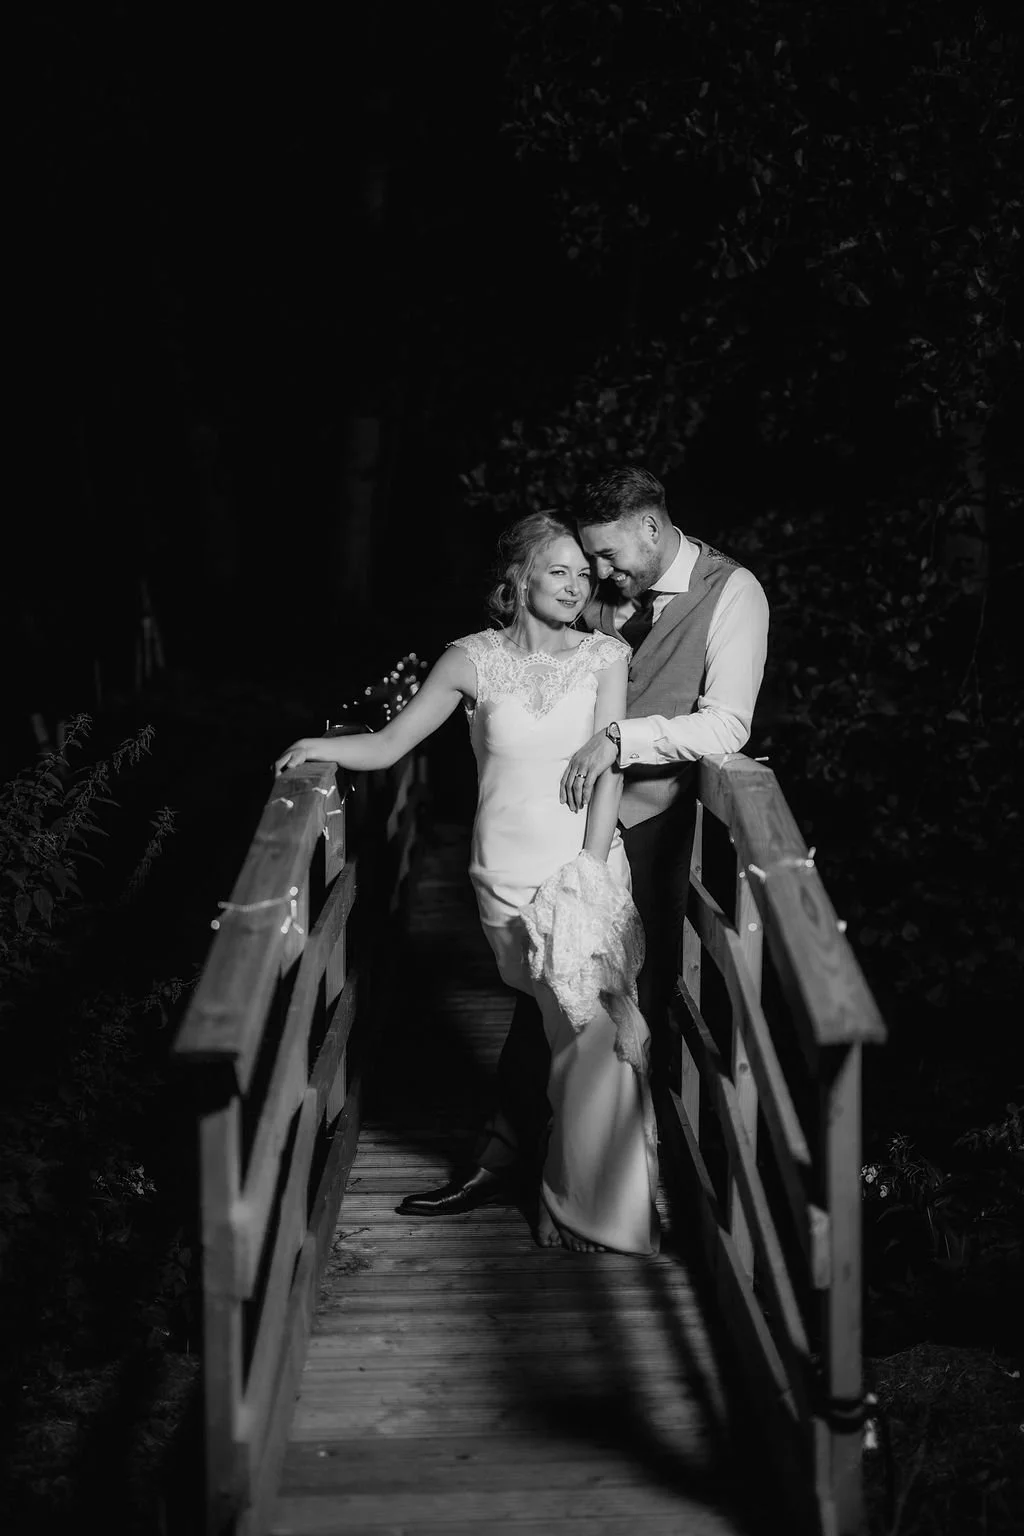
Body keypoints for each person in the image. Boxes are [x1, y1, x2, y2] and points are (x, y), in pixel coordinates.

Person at [275, 512, 658, 1255]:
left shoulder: (606, 656)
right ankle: (560, 1184)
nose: (577, 585)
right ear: (515, 580)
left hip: (582, 867)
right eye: (558, 572)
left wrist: (591, 864)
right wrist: (316, 746)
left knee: (595, 1029)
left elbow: (610, 765)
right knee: (565, 1027)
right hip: (505, 878)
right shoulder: (469, 660)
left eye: (583, 573)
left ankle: (585, 1203)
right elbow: (390, 744)